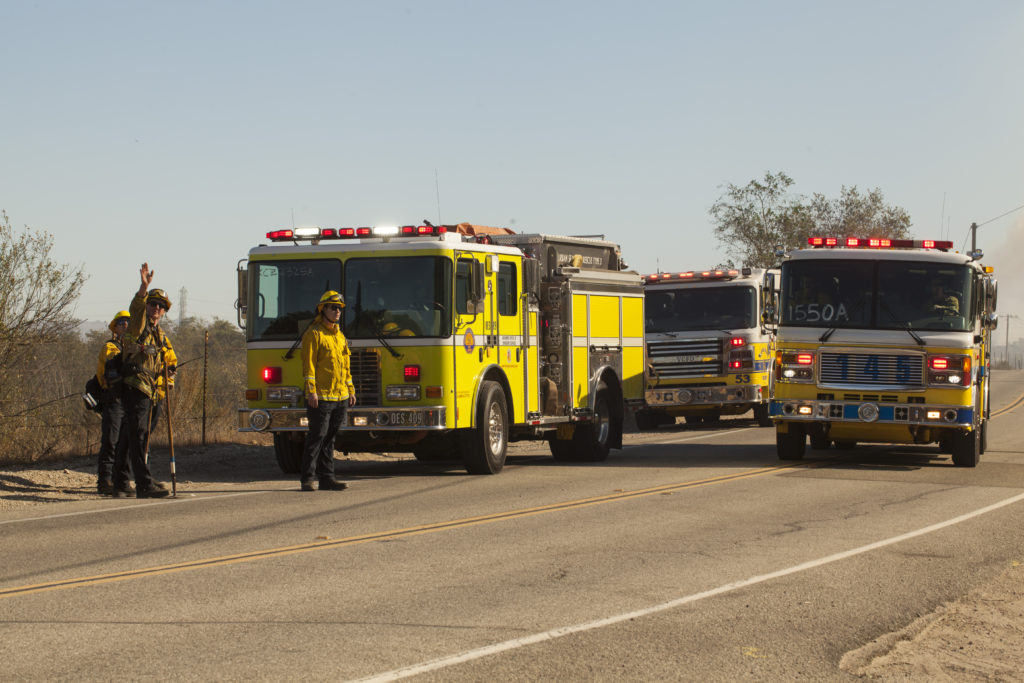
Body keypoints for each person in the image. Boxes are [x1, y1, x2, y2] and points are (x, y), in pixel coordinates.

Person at [114, 263, 175, 499]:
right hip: (135, 384)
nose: (157, 308)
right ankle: (143, 483)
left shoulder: (158, 333)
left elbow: (161, 360)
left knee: (132, 435)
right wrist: (143, 288)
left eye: (161, 306)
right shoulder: (139, 320)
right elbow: (136, 305)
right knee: (139, 435)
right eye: (153, 303)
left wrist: (167, 372)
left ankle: (120, 481)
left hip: (150, 388)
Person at [300, 290, 356, 491]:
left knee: (330, 438)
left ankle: (327, 478)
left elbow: (346, 366)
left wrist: (350, 389)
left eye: (340, 308)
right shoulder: (314, 334)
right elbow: (309, 367)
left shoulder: (340, 336)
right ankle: (307, 478)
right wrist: (311, 391)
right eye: (333, 307)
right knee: (317, 435)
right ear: (322, 309)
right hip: (321, 396)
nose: (337, 311)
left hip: (340, 395)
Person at [95, 310, 133, 495]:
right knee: (110, 441)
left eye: (128, 322)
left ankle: (121, 481)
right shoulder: (110, 347)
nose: (125, 325)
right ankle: (104, 481)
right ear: (115, 327)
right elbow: (111, 366)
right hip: (114, 399)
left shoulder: (136, 346)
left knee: (126, 443)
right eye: (121, 322)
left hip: (131, 400)